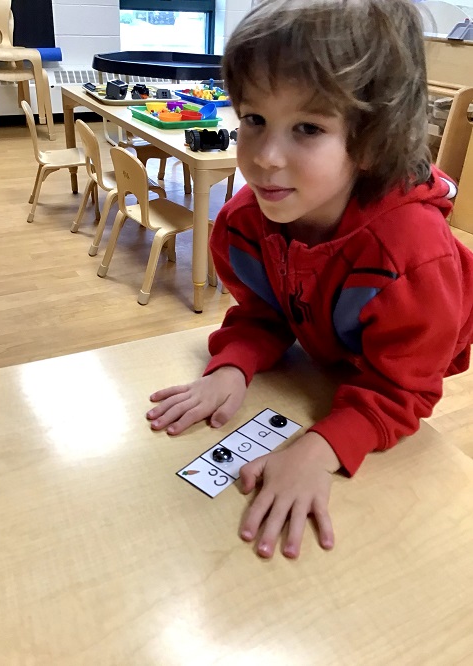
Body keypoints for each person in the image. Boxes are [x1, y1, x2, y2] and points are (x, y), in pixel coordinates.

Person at [147, 0, 473, 559]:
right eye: (254, 120)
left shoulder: (413, 257)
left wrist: (322, 448)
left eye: (307, 128)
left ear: (370, 140)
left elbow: (403, 388)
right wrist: (233, 363)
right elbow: (264, 313)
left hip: (415, 346)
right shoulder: (245, 223)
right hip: (332, 349)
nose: (267, 157)